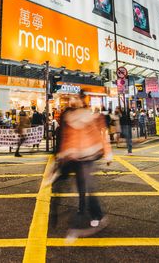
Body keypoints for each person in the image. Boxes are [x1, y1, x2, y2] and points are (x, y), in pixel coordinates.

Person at [52, 95, 111, 241]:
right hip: (76, 158)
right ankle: (96, 215)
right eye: (73, 99)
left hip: (88, 157)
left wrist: (108, 153)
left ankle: (78, 226)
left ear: (82, 101)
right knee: (82, 189)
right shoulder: (69, 117)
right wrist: (62, 154)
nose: (74, 101)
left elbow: (99, 135)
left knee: (87, 189)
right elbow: (68, 139)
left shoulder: (88, 116)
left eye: (77, 98)